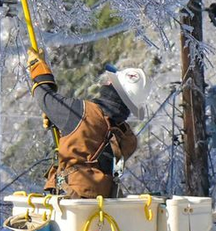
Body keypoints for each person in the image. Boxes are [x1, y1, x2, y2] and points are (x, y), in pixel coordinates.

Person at [27, 52, 147, 198]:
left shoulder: (81, 112)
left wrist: (38, 69)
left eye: (111, 81)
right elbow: (91, 146)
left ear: (112, 87)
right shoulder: (128, 138)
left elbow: (44, 96)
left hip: (71, 198)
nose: (106, 82)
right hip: (104, 200)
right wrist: (64, 126)